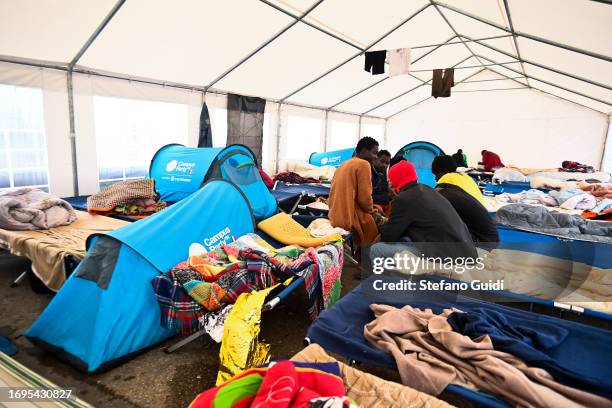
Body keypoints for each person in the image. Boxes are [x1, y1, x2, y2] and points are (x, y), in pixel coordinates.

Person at [372, 160, 478, 261]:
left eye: (390, 180)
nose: (389, 183)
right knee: (405, 239)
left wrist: (381, 224)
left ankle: (385, 279)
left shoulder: (404, 198)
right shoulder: (427, 189)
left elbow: (389, 236)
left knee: (377, 249)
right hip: (464, 250)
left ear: (395, 180)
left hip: (445, 256)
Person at [432, 156, 499, 244]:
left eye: (436, 175)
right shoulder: (465, 177)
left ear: (445, 172)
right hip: (488, 231)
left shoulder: (447, 181)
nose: (435, 179)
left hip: (479, 240)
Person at [328, 137, 380, 249]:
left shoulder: (344, 164)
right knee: (381, 227)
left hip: (334, 217)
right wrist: (372, 211)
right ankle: (368, 258)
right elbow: (364, 199)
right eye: (374, 153)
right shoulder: (364, 164)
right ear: (364, 150)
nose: (376, 157)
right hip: (348, 218)